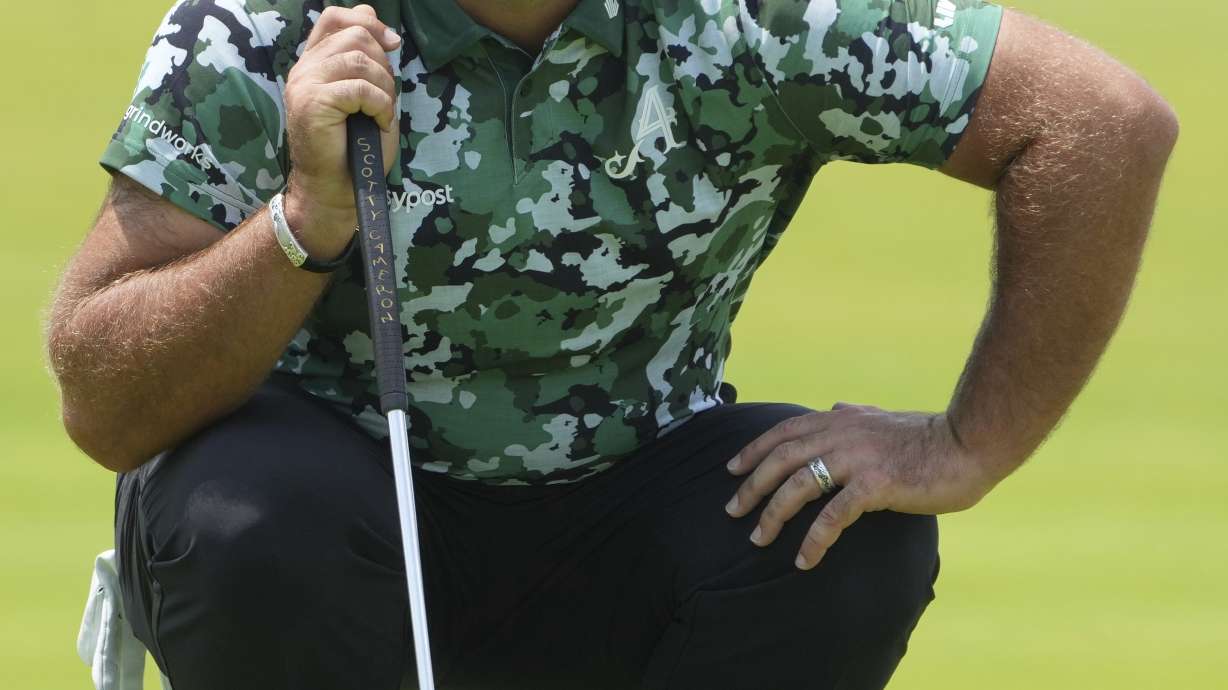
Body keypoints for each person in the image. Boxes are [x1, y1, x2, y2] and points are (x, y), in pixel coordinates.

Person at [47, 0, 1177, 688]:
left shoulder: (759, 15)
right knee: (246, 510)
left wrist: (962, 447)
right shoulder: (272, 23)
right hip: (330, 534)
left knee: (846, 538)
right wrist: (305, 220)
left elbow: (1098, 123)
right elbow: (103, 395)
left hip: (623, 518)